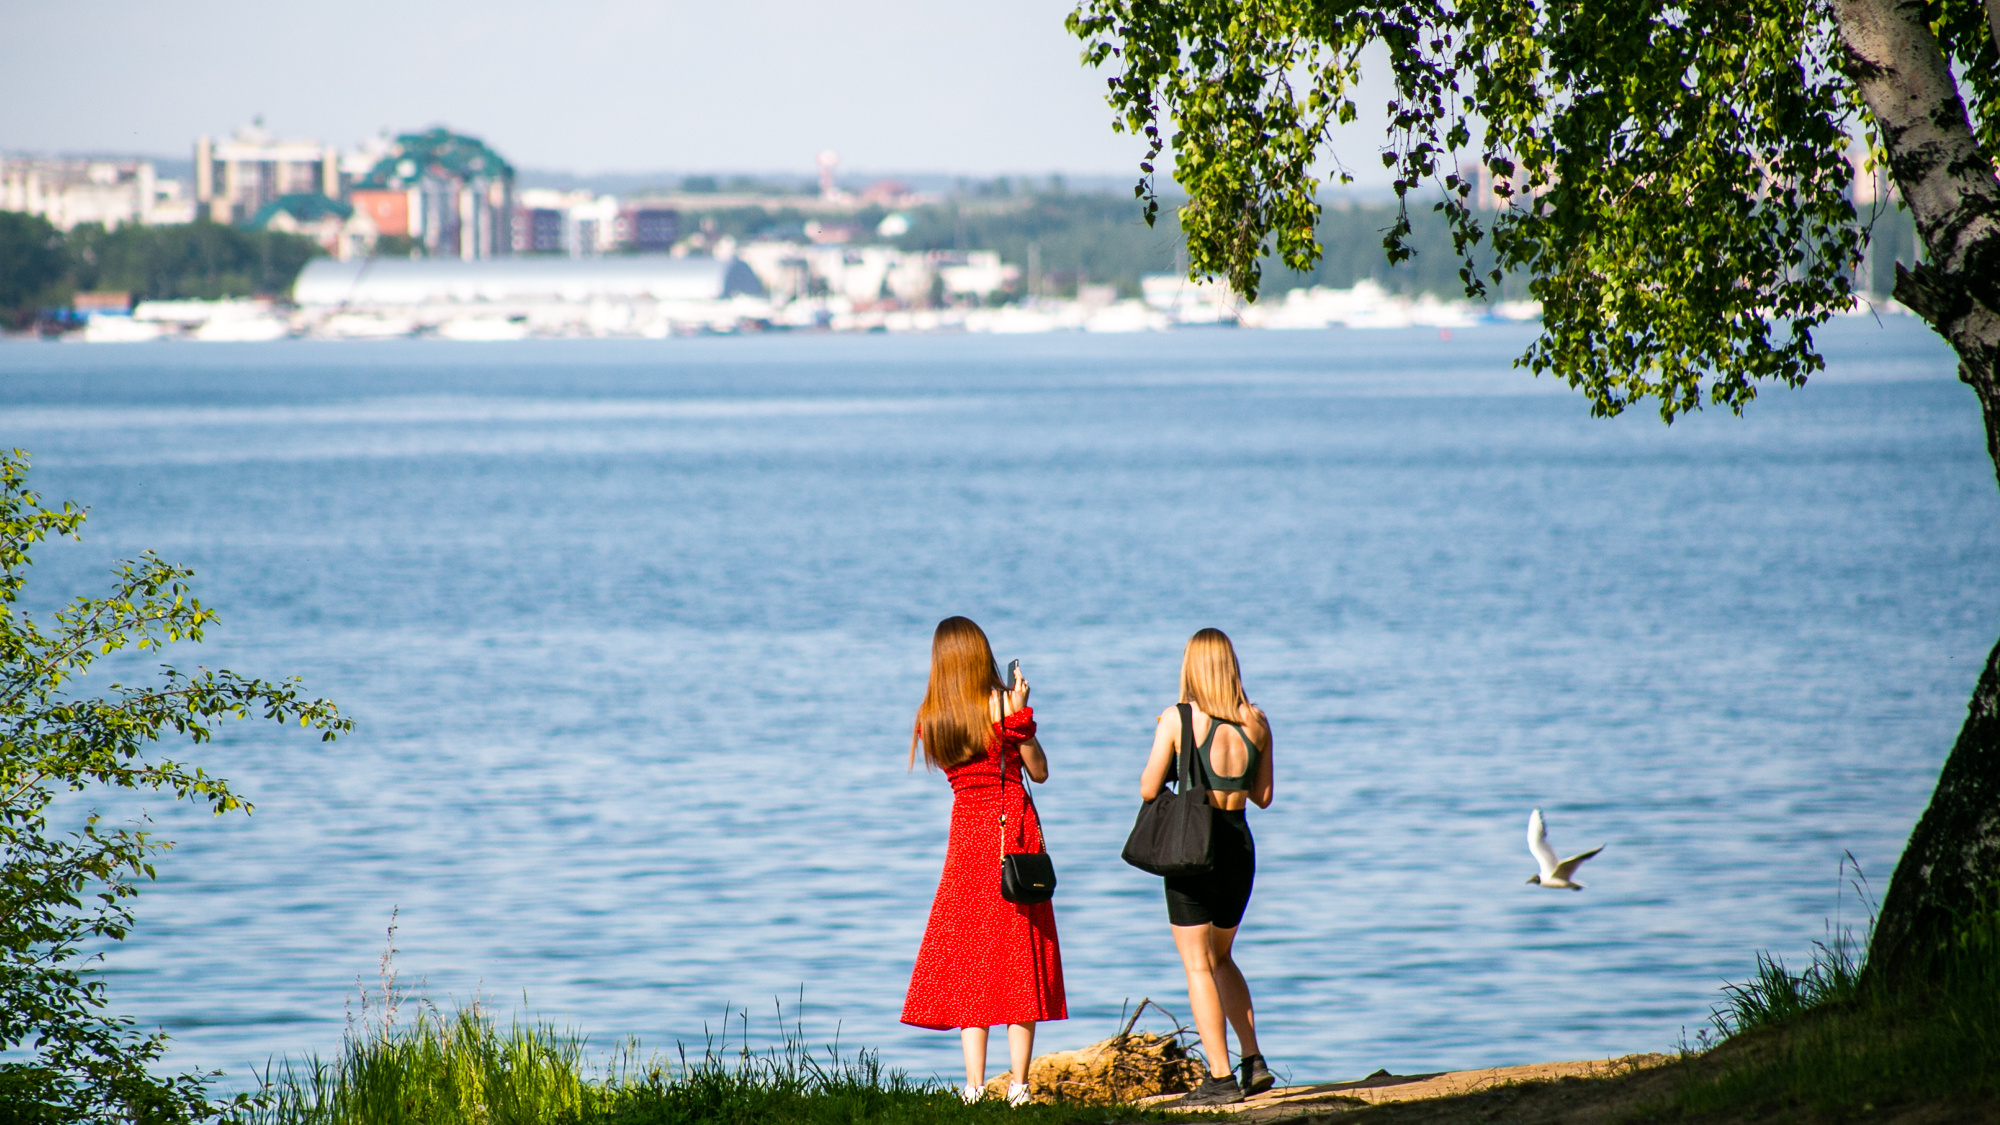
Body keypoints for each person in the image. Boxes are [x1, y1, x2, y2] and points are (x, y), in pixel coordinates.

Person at [901, 616, 1066, 1105]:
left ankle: (972, 1087)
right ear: (980, 654)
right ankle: (1019, 1085)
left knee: (972, 958)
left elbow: (959, 770)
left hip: (966, 839)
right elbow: (1040, 772)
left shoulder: (932, 716)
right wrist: (1020, 720)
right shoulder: (1001, 704)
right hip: (1010, 830)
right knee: (1020, 954)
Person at [1139, 628, 1276, 1106]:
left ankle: (1219, 1079)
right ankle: (1252, 1060)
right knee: (1221, 957)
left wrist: (1170, 740)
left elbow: (1149, 788)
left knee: (1198, 964)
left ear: (1192, 666)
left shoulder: (1178, 719)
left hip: (1194, 848)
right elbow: (1262, 797)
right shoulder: (1257, 721)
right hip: (1239, 846)